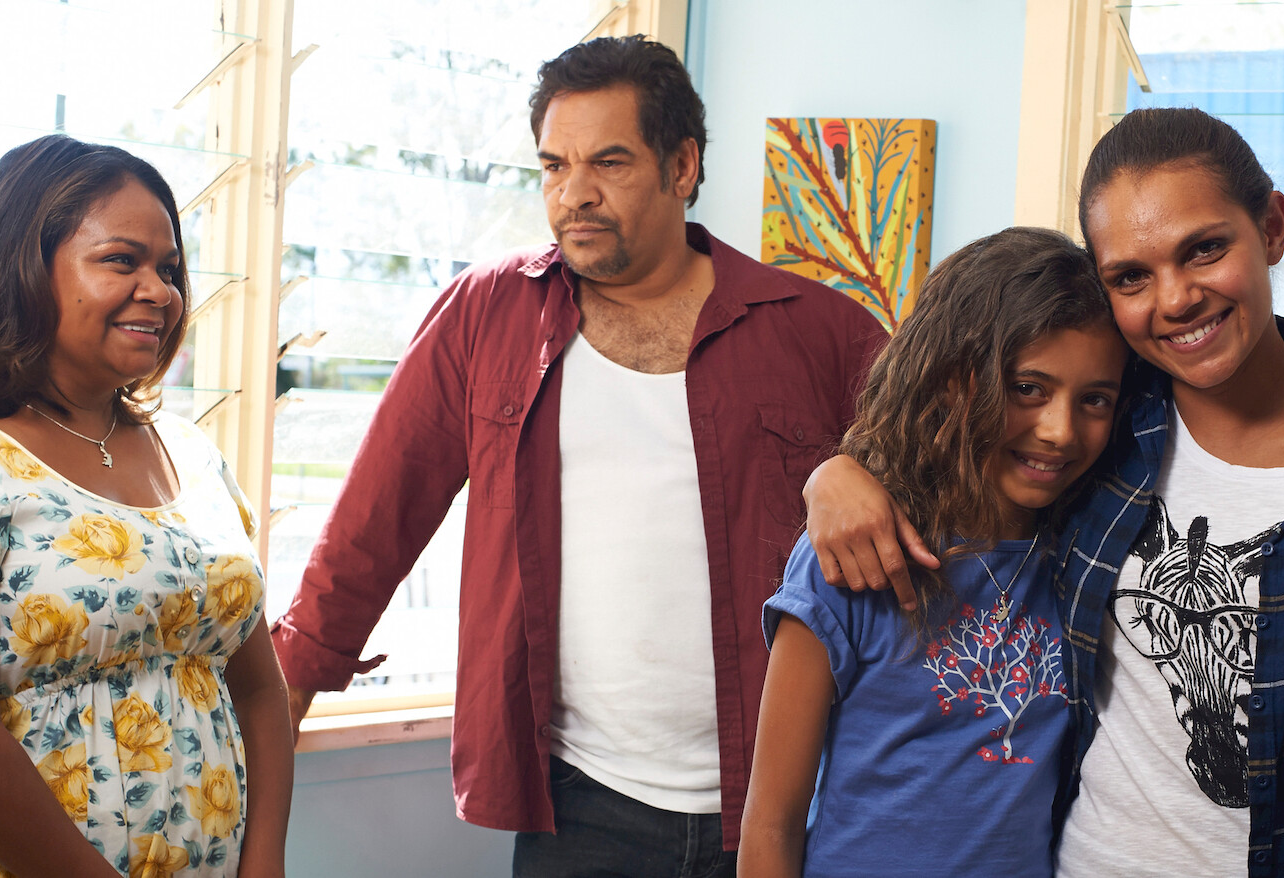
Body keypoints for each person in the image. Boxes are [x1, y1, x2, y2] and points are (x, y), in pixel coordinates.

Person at [803, 108, 1284, 876]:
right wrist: (837, 473)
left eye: (1204, 249)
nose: (1175, 299)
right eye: (1131, 276)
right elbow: (957, 433)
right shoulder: (1109, 422)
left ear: (1271, 227)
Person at [268, 36, 885, 877]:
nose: (574, 195)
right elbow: (378, 514)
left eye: (609, 163)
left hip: (790, 804)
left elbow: (939, 507)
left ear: (682, 166)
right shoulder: (485, 315)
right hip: (583, 806)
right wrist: (284, 694)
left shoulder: (821, 331)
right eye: (554, 167)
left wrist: (849, 472)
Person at [0, 134, 293, 878]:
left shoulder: (194, 457)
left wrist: (265, 863)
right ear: (24, 269)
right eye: (122, 260)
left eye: (169, 269)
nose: (160, 291)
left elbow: (257, 689)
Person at [738, 227, 1129, 878]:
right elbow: (771, 824)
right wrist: (831, 474)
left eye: (1094, 400)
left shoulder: (1083, 554)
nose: (1060, 431)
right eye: (1028, 388)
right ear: (953, 379)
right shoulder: (852, 555)